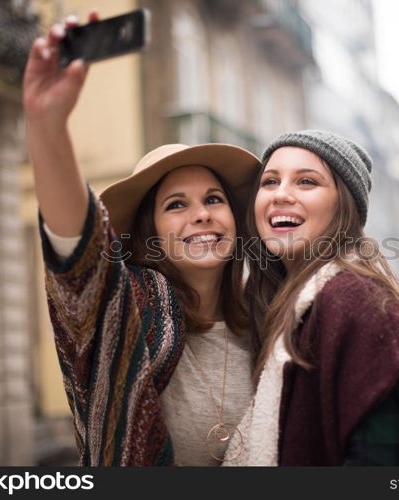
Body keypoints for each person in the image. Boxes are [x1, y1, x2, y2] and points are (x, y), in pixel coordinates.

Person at [23, 12, 261, 465]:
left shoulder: (267, 324)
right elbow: (79, 259)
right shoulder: (131, 310)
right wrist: (47, 124)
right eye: (176, 205)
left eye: (214, 198)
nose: (201, 216)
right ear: (150, 232)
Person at [222, 130, 399, 466]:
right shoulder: (284, 304)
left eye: (306, 182)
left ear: (343, 205)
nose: (281, 194)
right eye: (270, 182)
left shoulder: (359, 302)